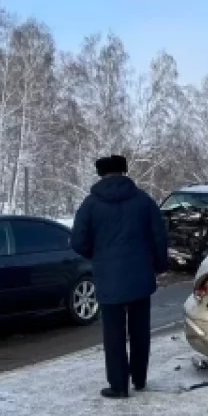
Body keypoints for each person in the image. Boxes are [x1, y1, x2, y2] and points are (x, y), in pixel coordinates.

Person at [71, 155, 169, 399]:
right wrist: (159, 265)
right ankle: (139, 379)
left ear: (100, 174)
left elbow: (77, 242)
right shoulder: (144, 201)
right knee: (140, 331)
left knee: (113, 335)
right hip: (140, 276)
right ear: (125, 172)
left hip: (108, 276)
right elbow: (159, 237)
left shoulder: (91, 204)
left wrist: (98, 254)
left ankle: (118, 385)